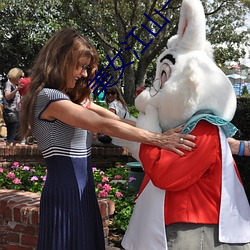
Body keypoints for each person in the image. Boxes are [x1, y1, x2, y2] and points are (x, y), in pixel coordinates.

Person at [18, 28, 196, 250]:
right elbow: (101, 124)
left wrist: (160, 129)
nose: (83, 74)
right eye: (80, 66)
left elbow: (116, 120)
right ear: (61, 60)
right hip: (66, 192)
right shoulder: (49, 98)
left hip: (82, 189)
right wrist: (158, 139)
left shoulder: (69, 100)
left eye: (86, 68)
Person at [3, 68, 24, 146]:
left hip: (16, 112)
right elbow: (7, 96)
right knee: (11, 135)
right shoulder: (8, 84)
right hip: (10, 112)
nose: (22, 79)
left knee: (17, 136)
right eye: (20, 76)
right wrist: (17, 89)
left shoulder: (15, 85)